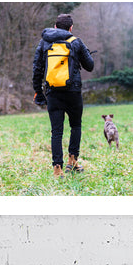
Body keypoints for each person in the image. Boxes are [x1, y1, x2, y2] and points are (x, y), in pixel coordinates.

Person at [32, 13, 94, 177]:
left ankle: (57, 168)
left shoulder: (44, 42)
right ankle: (72, 162)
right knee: (76, 126)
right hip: (73, 92)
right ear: (71, 28)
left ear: (55, 26)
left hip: (52, 92)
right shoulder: (75, 42)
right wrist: (83, 52)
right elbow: (90, 66)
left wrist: (38, 91)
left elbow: (37, 68)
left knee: (56, 131)